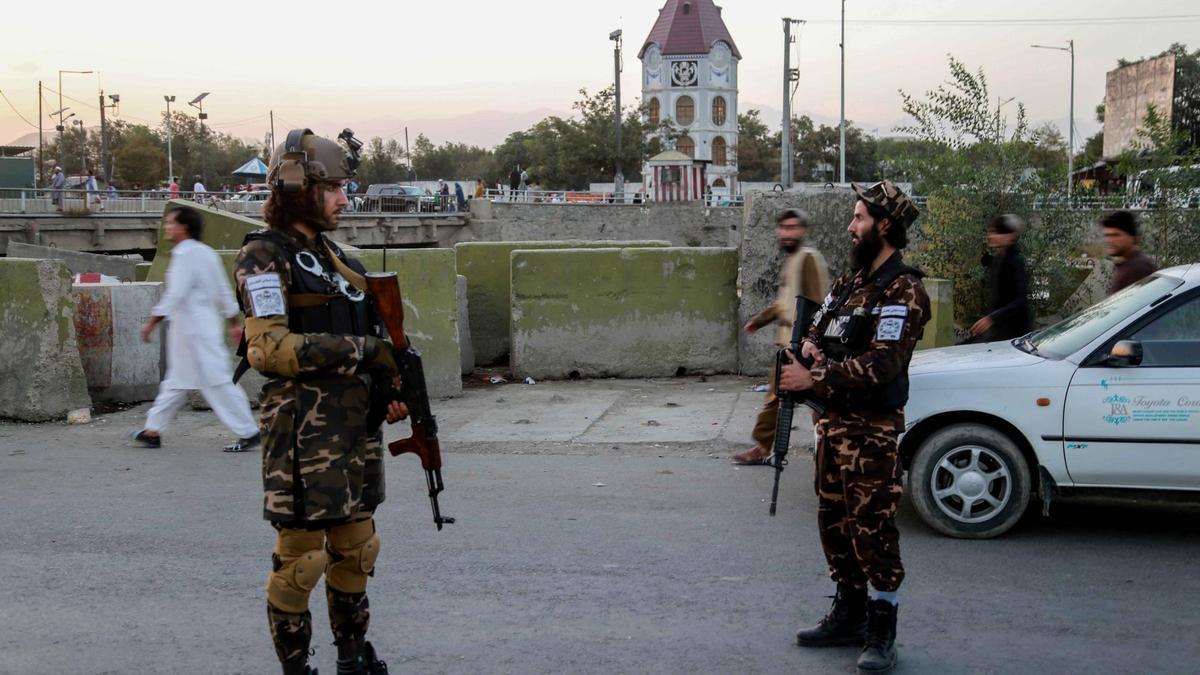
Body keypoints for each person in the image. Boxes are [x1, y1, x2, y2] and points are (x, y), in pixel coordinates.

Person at [233, 128, 408, 674]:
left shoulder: (334, 257)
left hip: (354, 431)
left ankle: (353, 660)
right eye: (332, 187)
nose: (343, 198)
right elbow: (267, 348)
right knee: (302, 562)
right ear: (296, 187)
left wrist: (392, 387)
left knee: (357, 551)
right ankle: (296, 668)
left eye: (343, 186)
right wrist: (362, 350)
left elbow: (376, 336)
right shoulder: (264, 256)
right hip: (302, 438)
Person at [779, 180, 929, 675]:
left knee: (873, 530)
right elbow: (818, 330)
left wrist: (814, 374)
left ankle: (881, 626)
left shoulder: (902, 288)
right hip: (833, 425)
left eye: (860, 217)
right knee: (834, 523)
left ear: (885, 226)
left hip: (871, 433)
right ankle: (848, 613)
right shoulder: (849, 283)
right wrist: (809, 351)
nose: (851, 225)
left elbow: (883, 365)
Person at [132, 206, 260, 453]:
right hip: (199, 329)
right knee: (177, 382)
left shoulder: (184, 255)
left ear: (184, 228)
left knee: (217, 382)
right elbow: (223, 289)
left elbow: (175, 293)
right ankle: (152, 430)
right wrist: (233, 322)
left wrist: (151, 322)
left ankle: (248, 431)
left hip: (193, 332)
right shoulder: (206, 253)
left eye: (171, 223)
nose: (167, 227)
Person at [734, 208, 829, 465]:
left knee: (781, 398)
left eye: (792, 228)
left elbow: (817, 304)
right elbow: (784, 302)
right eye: (783, 228)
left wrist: (810, 342)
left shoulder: (808, 258)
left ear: (803, 230)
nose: (787, 233)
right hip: (789, 341)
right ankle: (821, 446)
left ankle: (764, 448)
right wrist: (760, 320)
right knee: (798, 400)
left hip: (800, 345)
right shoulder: (793, 258)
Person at [968, 214, 1031, 342]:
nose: (991, 236)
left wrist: (992, 319)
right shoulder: (998, 259)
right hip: (996, 331)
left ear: (1009, 237)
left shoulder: (1015, 262)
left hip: (1012, 335)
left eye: (996, 233)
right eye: (991, 232)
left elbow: (1019, 300)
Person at [1101, 210, 1156, 294]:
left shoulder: (1138, 268)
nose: (1109, 240)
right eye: (1107, 235)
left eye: (1115, 235)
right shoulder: (1127, 265)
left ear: (1132, 237)